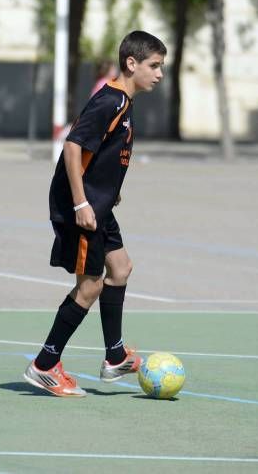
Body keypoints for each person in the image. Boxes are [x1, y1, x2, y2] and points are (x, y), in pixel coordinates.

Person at [23, 31, 167, 397]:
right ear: (131, 64)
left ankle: (115, 356)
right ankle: (44, 365)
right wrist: (81, 203)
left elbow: (99, 157)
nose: (159, 74)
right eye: (154, 65)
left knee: (121, 269)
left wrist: (107, 194)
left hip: (98, 205)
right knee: (90, 286)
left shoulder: (125, 103)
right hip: (81, 207)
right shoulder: (110, 101)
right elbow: (72, 149)